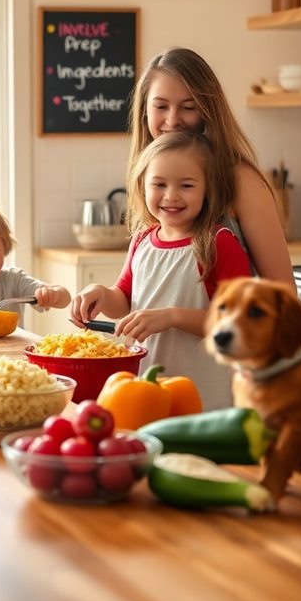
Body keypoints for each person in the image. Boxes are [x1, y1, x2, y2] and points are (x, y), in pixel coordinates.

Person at [70, 132, 252, 410]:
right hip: (143, 390)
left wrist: (172, 316)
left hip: (205, 398)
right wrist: (101, 295)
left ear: (209, 188)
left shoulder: (219, 243)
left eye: (186, 185)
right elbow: (124, 300)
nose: (171, 196)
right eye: (159, 184)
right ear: (143, 186)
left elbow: (239, 325)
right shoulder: (142, 240)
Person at [127, 46, 296, 292]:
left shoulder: (240, 179)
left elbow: (283, 295)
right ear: (144, 111)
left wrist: (173, 318)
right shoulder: (147, 177)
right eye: (161, 106)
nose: (173, 120)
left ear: (208, 110)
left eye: (188, 107)